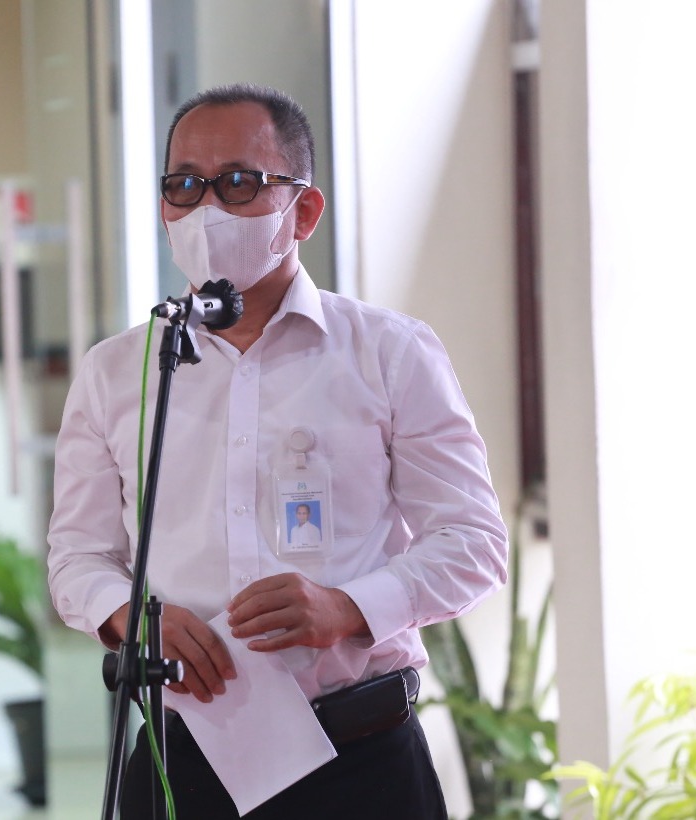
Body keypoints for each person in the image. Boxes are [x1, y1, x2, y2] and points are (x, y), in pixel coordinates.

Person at [46, 83, 508, 819]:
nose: (207, 208)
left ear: (305, 210)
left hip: (361, 760)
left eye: (238, 182)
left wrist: (347, 608)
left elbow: (474, 544)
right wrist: (131, 615)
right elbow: (76, 558)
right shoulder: (118, 371)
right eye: (184, 185)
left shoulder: (389, 353)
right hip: (186, 759)